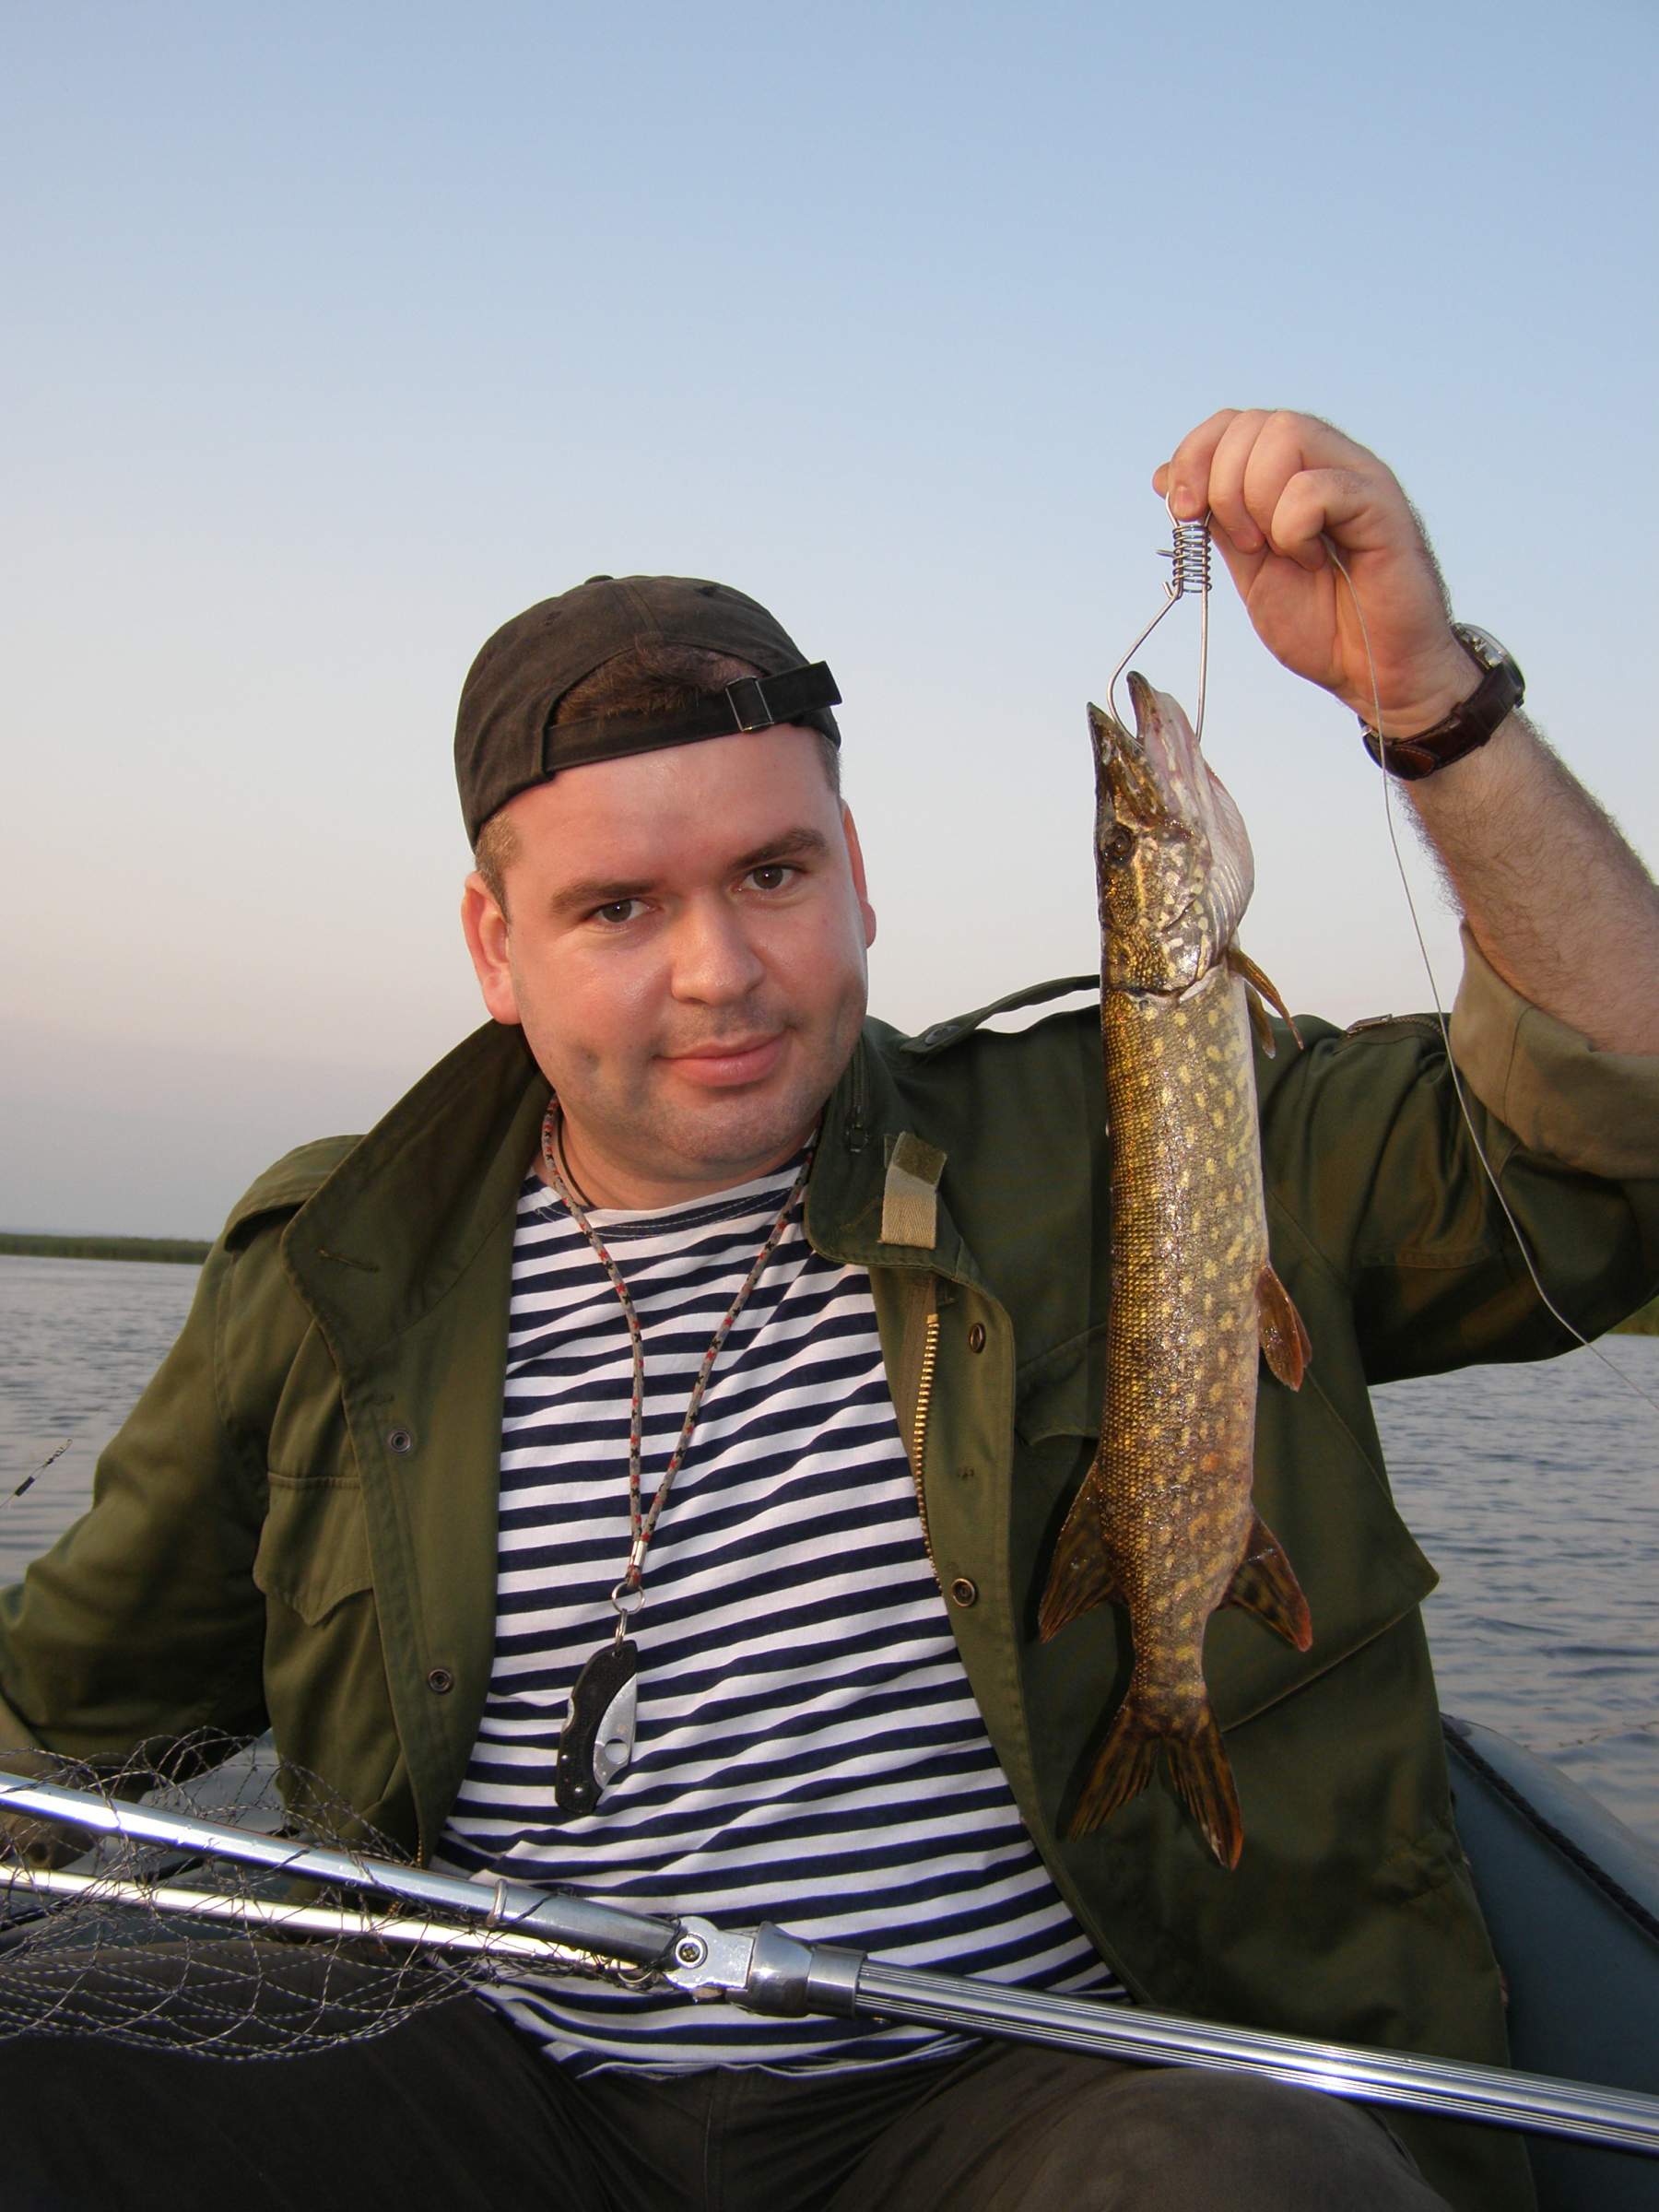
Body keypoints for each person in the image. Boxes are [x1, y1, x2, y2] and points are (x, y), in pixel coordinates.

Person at [2, 409, 1655, 2212]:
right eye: (617, 907)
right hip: (494, 2103)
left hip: (1013, 2106)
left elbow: (1611, 1152)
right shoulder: (332, 1271)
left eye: (772, 875)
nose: (718, 970)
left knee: (1235, 2176)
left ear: (858, 874)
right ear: (496, 948)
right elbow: (55, 1717)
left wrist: (1434, 707)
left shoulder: (1121, 1126)